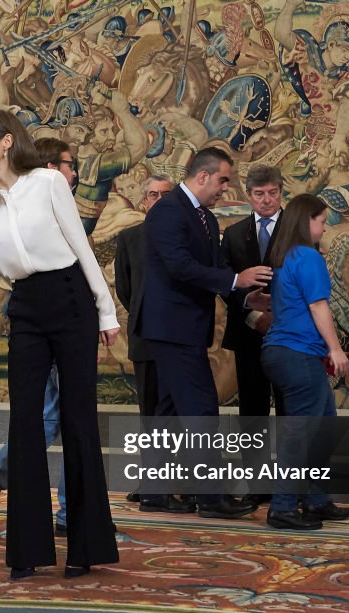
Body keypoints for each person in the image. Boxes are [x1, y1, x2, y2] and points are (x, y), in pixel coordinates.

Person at [0, 109, 119, 580]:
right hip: (27, 307)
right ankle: (27, 550)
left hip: (71, 298)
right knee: (25, 425)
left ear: (5, 140)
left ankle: (85, 546)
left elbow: (81, 248)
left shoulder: (47, 182)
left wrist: (106, 312)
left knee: (79, 421)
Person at [133, 147, 271, 518]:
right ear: (204, 176)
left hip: (186, 328)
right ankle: (211, 497)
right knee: (201, 409)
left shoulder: (206, 219)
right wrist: (235, 278)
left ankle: (154, 491)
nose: (226, 188)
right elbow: (179, 266)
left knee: (169, 410)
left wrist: (245, 298)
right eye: (224, 180)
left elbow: (215, 272)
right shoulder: (167, 210)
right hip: (171, 328)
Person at [0, 137, 77, 537]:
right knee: (50, 420)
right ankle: (58, 510)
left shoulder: (49, 202)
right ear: (47, 167)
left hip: (55, 319)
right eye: (67, 163)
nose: (74, 172)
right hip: (44, 321)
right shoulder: (16, 205)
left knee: (50, 419)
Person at [259, 193, 349, 530]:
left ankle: (315, 499)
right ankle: (283, 506)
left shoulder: (284, 257)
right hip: (296, 353)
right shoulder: (308, 257)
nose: (324, 228)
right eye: (321, 221)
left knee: (322, 425)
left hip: (283, 353)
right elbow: (318, 307)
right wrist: (336, 349)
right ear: (306, 221)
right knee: (301, 432)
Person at [114, 174, 186, 511]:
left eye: (164, 195)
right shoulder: (129, 238)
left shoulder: (185, 235)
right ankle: (152, 482)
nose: (157, 200)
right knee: (151, 414)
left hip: (180, 339)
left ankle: (174, 483)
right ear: (144, 202)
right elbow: (126, 291)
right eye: (152, 195)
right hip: (145, 339)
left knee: (176, 417)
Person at [221, 166, 284, 504]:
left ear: (280, 192)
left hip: (289, 334)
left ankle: (292, 488)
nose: (266, 200)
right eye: (259, 194)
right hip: (248, 335)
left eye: (272, 193)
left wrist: (277, 315)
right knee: (253, 413)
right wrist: (253, 311)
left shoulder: (298, 229)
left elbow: (311, 280)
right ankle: (257, 488)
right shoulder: (233, 234)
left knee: (290, 413)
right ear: (249, 195)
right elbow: (224, 283)